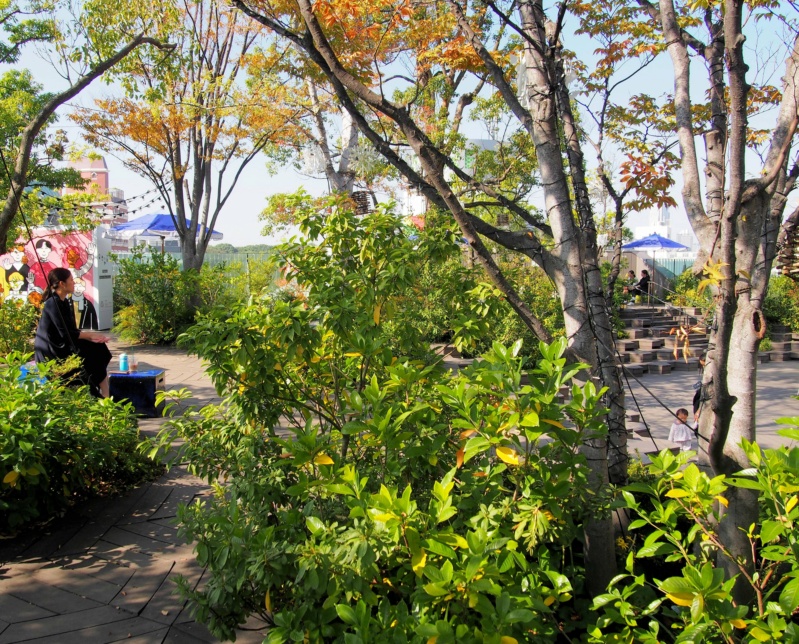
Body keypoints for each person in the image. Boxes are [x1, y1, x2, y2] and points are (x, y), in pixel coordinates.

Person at [34, 267, 112, 397]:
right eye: (71, 280)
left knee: (98, 348)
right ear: (61, 284)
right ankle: (98, 392)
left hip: (63, 344)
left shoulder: (64, 302)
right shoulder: (53, 303)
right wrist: (90, 335)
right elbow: (65, 333)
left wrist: (91, 338)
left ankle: (104, 392)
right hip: (52, 351)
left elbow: (72, 330)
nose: (74, 282)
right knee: (93, 353)